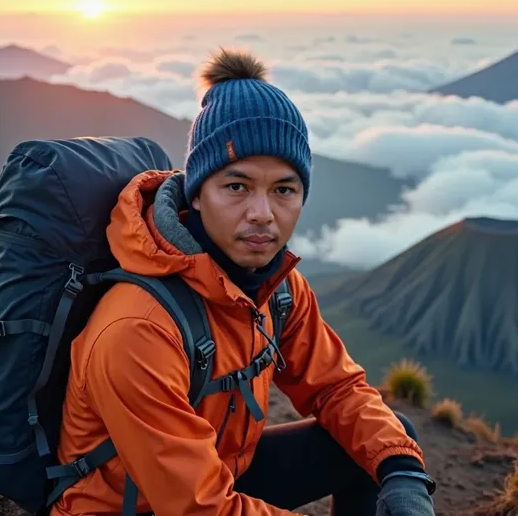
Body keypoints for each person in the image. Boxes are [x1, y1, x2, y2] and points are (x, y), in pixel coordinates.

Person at [49, 47, 436, 516]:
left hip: (218, 471)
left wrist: (404, 472)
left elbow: (337, 388)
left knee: (389, 446)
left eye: (284, 190)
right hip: (130, 506)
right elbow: (201, 508)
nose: (262, 214)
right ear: (197, 193)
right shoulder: (138, 328)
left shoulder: (277, 287)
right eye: (237, 186)